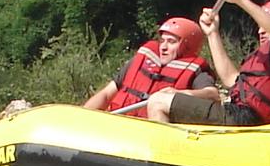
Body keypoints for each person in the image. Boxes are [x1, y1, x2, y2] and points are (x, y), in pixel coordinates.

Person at [144, 0, 270, 126]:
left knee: (158, 102)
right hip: (240, 113)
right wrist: (212, 33)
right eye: (259, 26)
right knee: (165, 102)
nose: (260, 31)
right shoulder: (268, 61)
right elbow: (231, 79)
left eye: (265, 25)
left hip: (247, 117)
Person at [83, 17, 213, 112]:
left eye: (171, 42)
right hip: (119, 121)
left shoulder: (197, 71)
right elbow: (106, 94)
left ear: (187, 46)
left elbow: (212, 94)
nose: (163, 47)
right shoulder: (143, 59)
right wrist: (83, 116)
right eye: (162, 41)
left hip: (149, 131)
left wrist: (180, 94)